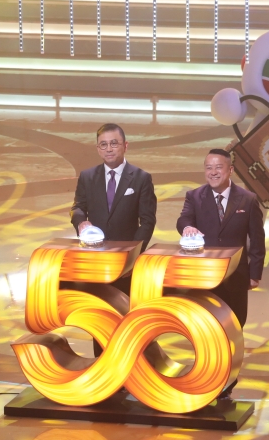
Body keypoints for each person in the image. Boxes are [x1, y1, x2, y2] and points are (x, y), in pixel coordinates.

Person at [176, 148, 265, 400]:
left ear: (230, 170)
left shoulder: (247, 199)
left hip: (236, 277)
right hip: (204, 279)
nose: (213, 172)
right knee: (205, 330)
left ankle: (227, 383)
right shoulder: (195, 196)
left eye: (218, 167)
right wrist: (188, 227)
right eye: (209, 168)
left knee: (233, 330)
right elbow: (183, 220)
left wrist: (255, 273)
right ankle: (206, 378)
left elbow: (257, 240)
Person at [71, 123, 157, 359]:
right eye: (103, 144)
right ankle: (102, 367)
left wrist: (132, 256)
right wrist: (81, 222)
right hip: (96, 262)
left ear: (125, 145)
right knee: (98, 318)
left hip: (126, 267)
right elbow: (77, 207)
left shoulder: (141, 178)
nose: (109, 149)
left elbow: (147, 221)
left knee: (125, 320)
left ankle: (128, 368)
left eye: (114, 143)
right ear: (98, 149)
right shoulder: (88, 177)